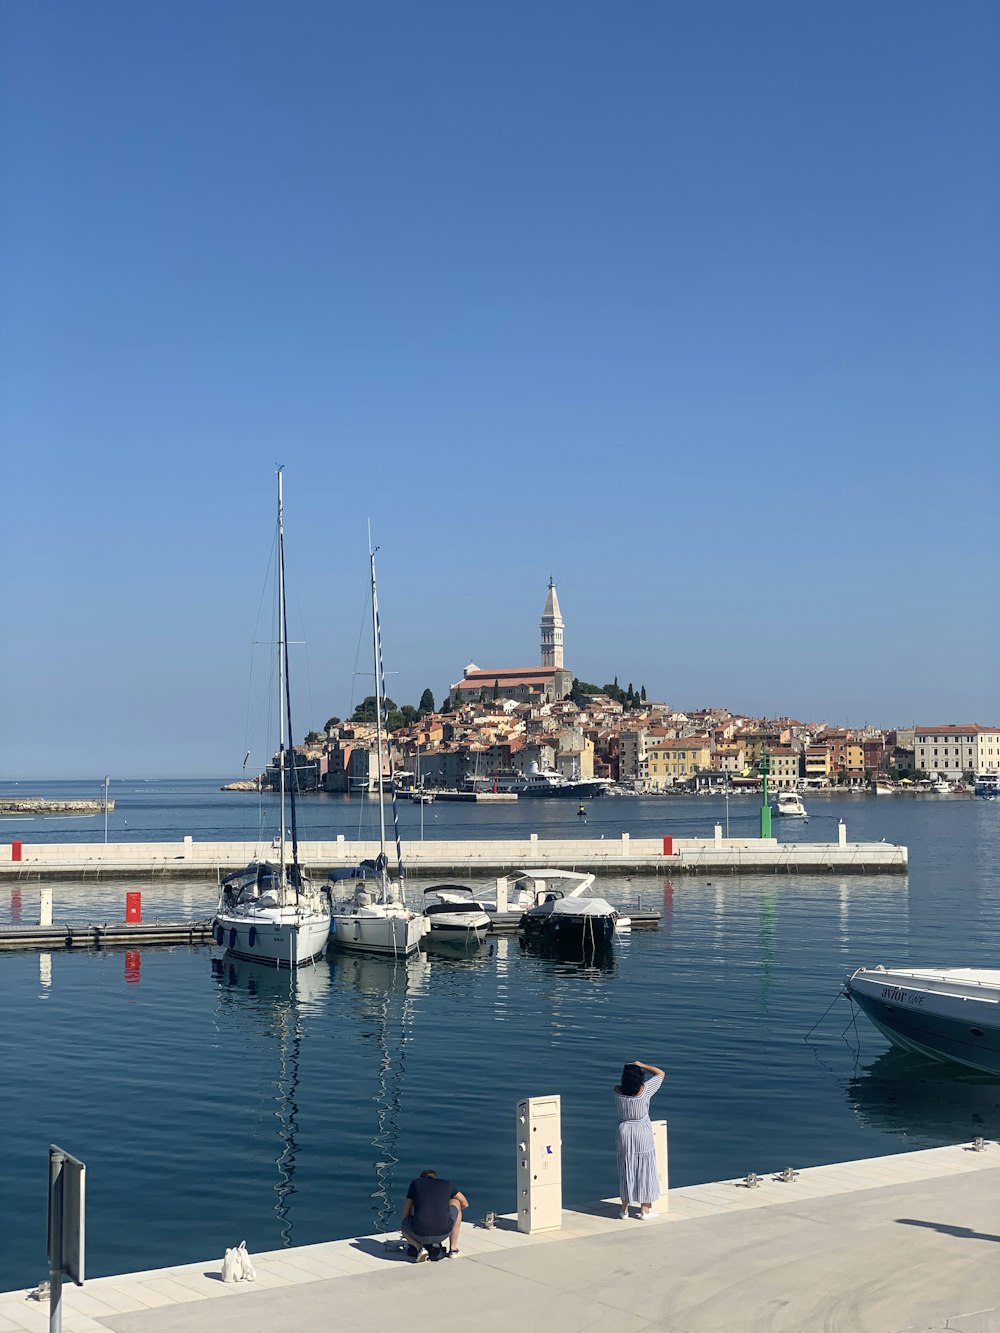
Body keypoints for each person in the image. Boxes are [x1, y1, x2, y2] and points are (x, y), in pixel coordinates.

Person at [614, 1058, 665, 1220]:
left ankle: (624, 1210)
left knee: (625, 1169)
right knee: (645, 1169)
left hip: (624, 1132)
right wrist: (642, 1065)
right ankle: (645, 1210)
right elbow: (660, 1073)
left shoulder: (616, 1091)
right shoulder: (645, 1090)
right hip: (642, 1132)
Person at [401, 1170, 469, 1262]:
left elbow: (406, 1210)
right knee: (457, 1202)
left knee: (409, 1216)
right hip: (444, 1232)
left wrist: (407, 1228)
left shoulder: (416, 1183)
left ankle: (419, 1247)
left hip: (419, 1233)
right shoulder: (446, 1184)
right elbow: (465, 1203)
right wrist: (448, 1213)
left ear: (422, 1178)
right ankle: (453, 1249)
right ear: (435, 1177)